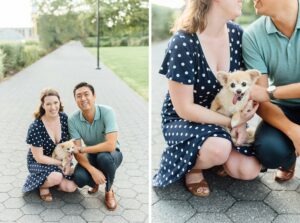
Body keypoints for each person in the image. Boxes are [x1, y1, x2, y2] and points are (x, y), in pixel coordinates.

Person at [153, 0, 261, 197]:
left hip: (225, 114)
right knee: (219, 148)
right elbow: (184, 108)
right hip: (185, 119)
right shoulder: (183, 42)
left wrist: (241, 124)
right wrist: (233, 122)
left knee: (248, 171)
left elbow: (247, 86)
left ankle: (211, 156)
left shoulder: (237, 34)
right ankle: (193, 167)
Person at [243, 0, 300, 181]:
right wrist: (293, 130)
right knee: (269, 151)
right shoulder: (252, 36)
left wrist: (271, 93)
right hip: (283, 108)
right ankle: (288, 159)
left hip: (276, 96)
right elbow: (260, 98)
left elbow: (266, 93)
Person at [68, 82, 123, 211]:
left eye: (86, 94)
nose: (83, 98)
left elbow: (110, 146)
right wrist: (93, 170)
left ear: (94, 96)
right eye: (79, 96)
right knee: (79, 178)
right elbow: (76, 152)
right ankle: (96, 183)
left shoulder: (107, 112)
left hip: (112, 154)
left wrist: (83, 149)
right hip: (92, 155)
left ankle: (109, 191)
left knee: (104, 158)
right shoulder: (73, 119)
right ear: (75, 100)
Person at [23, 88, 77, 202]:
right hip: (40, 162)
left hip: (60, 158)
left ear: (59, 103)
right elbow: (39, 157)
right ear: (43, 105)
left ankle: (55, 180)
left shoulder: (63, 118)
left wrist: (67, 163)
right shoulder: (36, 126)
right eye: (48, 104)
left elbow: (68, 144)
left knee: (70, 188)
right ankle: (43, 186)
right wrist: (61, 164)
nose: (53, 107)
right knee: (56, 177)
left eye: (55, 103)